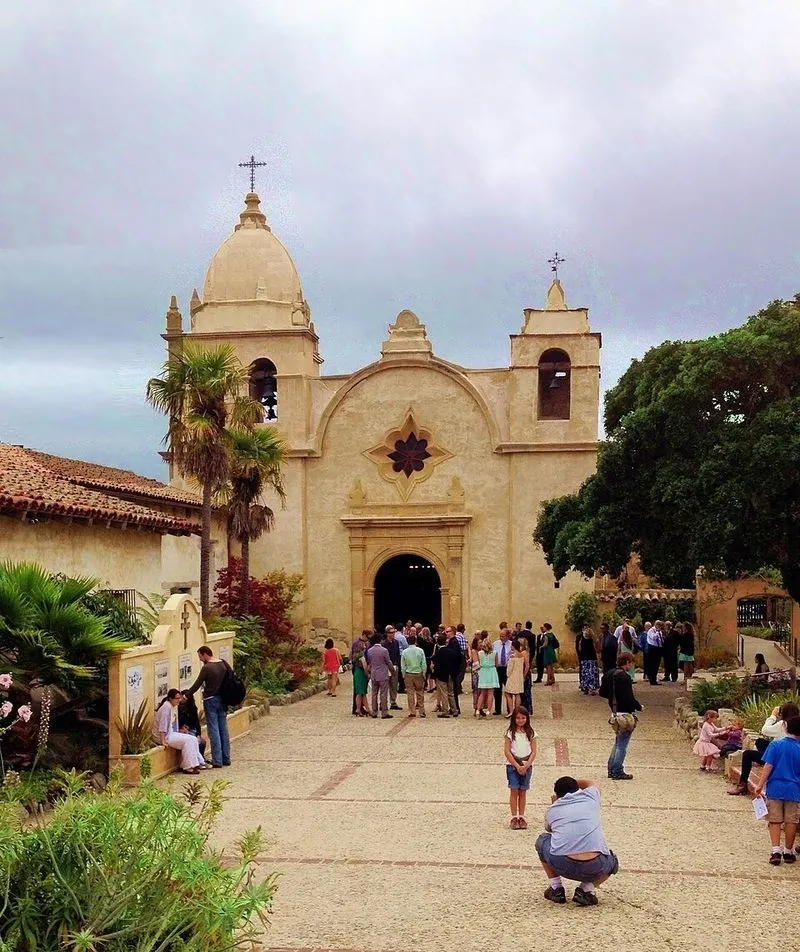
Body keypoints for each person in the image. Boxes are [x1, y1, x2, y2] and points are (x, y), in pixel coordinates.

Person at [535, 776, 619, 906]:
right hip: (595, 866)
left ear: (557, 794)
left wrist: (555, 803)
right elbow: (591, 782)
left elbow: (550, 830)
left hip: (562, 863)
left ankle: (556, 887)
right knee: (612, 861)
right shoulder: (591, 797)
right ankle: (586, 890)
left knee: (542, 841)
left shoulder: (552, 811)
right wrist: (575, 783)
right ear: (578, 789)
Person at [753, 715, 800, 865]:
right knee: (791, 821)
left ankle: (775, 851)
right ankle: (788, 851)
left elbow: (768, 766)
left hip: (775, 787)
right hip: (794, 789)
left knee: (774, 820)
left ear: (785, 727)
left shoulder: (776, 745)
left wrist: (760, 784)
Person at [728, 702, 800, 795]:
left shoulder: (783, 724)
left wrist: (773, 716)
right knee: (760, 742)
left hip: (777, 756)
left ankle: (742, 785)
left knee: (747, 754)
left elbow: (765, 730)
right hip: (791, 752)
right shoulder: (796, 723)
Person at [185, 646, 231, 768]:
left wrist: (186, 695)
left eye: (200, 656)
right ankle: (226, 757)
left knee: (213, 729)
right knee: (223, 729)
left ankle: (217, 760)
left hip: (210, 700)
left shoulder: (207, 668)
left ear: (205, 654)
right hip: (223, 699)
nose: (200, 659)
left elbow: (197, 684)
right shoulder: (223, 664)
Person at [599, 653, 642, 780]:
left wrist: (613, 698)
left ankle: (611, 768)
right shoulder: (625, 677)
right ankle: (617, 770)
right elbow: (629, 698)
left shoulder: (609, 673)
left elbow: (602, 692)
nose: (632, 666)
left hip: (614, 711)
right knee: (622, 744)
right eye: (631, 663)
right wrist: (639, 706)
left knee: (618, 741)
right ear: (627, 662)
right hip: (625, 713)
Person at [155, 689, 206, 774]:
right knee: (188, 740)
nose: (179, 700)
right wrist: (163, 741)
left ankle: (195, 763)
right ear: (170, 698)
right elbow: (162, 725)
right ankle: (188, 767)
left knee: (193, 739)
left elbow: (173, 724)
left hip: (171, 733)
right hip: (165, 736)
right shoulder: (166, 707)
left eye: (180, 698)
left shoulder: (173, 706)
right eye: (177, 698)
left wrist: (179, 731)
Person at [504, 706, 537, 829]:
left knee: (523, 792)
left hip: (527, 766)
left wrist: (527, 764)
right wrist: (517, 765)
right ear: (514, 719)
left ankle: (522, 815)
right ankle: (514, 816)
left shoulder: (531, 733)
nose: (520, 720)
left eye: (523, 718)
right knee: (514, 791)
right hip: (512, 765)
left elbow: (534, 751)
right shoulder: (510, 733)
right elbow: (507, 751)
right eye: (518, 718)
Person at [366, 635, 394, 719]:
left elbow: (370, 662)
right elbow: (388, 662)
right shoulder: (384, 650)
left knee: (374, 693)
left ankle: (374, 712)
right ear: (380, 641)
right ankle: (384, 712)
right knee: (383, 693)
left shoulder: (370, 651)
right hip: (382, 673)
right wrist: (392, 670)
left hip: (374, 674)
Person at [400, 633, 427, 718]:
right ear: (415, 641)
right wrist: (424, 673)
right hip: (418, 672)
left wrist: (403, 674)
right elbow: (424, 664)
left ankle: (412, 711)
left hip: (408, 673)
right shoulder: (420, 650)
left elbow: (403, 665)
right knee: (420, 693)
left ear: (407, 642)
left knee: (410, 693)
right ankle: (422, 711)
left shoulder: (404, 652)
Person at [178, 691, 208, 762]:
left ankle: (200, 758)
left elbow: (197, 723)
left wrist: (198, 734)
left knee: (202, 742)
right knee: (193, 741)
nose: (181, 700)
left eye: (184, 698)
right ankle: (197, 761)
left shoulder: (193, 709)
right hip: (183, 730)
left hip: (192, 729)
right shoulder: (178, 708)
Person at [433, 632, 458, 717]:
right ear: (446, 642)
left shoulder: (438, 653)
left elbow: (436, 665)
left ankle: (445, 711)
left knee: (444, 693)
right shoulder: (451, 651)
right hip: (450, 674)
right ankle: (454, 710)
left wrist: (434, 675)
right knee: (451, 693)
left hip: (441, 675)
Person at [476, 635, 499, 717]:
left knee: (482, 693)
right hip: (491, 671)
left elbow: (479, 663)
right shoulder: (495, 653)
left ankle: (478, 710)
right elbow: (496, 664)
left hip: (483, 671)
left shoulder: (479, 653)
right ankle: (488, 711)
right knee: (490, 693)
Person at [381, 626, 403, 710]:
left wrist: (397, 664)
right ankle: (382, 703)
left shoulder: (396, 642)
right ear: (387, 633)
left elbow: (397, 654)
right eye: (391, 632)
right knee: (384, 685)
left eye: (393, 632)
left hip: (394, 665)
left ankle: (393, 702)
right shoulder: (383, 643)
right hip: (386, 666)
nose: (393, 634)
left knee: (394, 685)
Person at [492, 625, 512, 715]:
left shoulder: (511, 644)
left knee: (508, 690)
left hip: (508, 668)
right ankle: (497, 709)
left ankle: (509, 709)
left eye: (503, 636)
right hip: (498, 668)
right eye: (500, 636)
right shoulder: (495, 644)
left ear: (508, 636)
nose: (501, 638)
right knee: (497, 689)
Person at [351, 630, 371, 717]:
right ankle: (359, 708)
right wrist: (367, 674)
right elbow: (364, 664)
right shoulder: (361, 654)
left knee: (360, 692)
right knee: (361, 692)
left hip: (357, 670)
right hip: (361, 672)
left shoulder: (356, 653)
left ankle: (360, 709)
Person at [503, 639, 526, 714]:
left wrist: (507, 675)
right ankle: (517, 711)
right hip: (519, 676)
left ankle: (511, 711)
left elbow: (509, 669)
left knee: (507, 693)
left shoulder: (512, 656)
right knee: (517, 694)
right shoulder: (521, 655)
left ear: (513, 646)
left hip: (512, 676)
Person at [576, 626, 600, 695]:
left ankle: (586, 688)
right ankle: (592, 688)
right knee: (592, 673)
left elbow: (579, 649)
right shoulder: (593, 640)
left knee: (585, 674)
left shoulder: (581, 640)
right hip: (592, 659)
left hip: (584, 658)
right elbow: (597, 649)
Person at [520, 620, 535, 713]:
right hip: (523, 673)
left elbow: (527, 664)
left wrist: (524, 676)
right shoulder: (532, 636)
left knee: (526, 692)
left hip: (525, 674)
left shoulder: (524, 652)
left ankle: (527, 709)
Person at [645, 620, 664, 685]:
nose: (659, 626)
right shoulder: (651, 630)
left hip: (658, 649)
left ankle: (654, 679)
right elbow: (653, 638)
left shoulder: (659, 631)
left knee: (656, 665)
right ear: (655, 624)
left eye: (660, 625)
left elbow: (660, 640)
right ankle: (652, 680)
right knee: (652, 665)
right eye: (658, 624)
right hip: (652, 649)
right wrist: (657, 632)